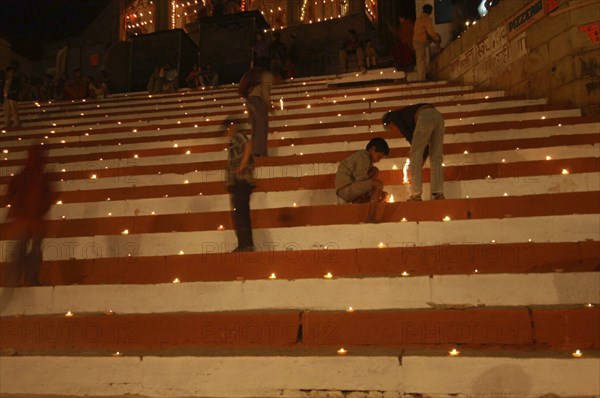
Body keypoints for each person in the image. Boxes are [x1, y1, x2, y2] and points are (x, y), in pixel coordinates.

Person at [4, 145, 54, 286]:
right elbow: (49, 198)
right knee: (27, 248)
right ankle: (25, 278)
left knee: (27, 248)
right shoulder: (30, 176)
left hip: (31, 220)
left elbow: (48, 198)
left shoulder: (27, 176)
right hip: (29, 220)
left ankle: (20, 278)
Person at [382, 104, 445, 201]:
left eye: (391, 129)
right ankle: (439, 193)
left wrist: (415, 153)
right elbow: (425, 148)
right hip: (438, 115)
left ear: (389, 123)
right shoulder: (404, 116)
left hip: (424, 116)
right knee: (436, 156)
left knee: (414, 155)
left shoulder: (393, 117)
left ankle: (416, 195)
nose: (394, 131)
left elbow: (409, 136)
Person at [335, 138, 389, 223]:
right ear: (372, 149)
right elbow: (361, 179)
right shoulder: (363, 156)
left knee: (375, 171)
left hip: (352, 187)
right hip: (345, 189)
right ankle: (370, 217)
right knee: (378, 184)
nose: (378, 160)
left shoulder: (367, 160)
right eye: (379, 157)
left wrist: (376, 194)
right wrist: (376, 192)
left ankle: (360, 201)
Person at [224, 117, 255, 252]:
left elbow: (248, 145)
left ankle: (245, 244)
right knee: (241, 213)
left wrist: (242, 165)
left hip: (241, 180)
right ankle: (245, 244)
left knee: (241, 214)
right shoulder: (233, 140)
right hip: (239, 181)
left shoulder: (238, 136)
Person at [239, 67, 277, 156]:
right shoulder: (268, 76)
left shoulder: (259, 75)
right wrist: (270, 107)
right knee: (262, 128)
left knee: (255, 129)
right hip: (257, 102)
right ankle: (260, 153)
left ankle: (254, 151)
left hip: (250, 101)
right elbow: (265, 93)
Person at [413, 4, 441, 81]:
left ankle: (422, 78)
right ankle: (421, 80)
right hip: (420, 42)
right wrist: (437, 38)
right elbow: (431, 32)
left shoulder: (418, 18)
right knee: (421, 62)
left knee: (421, 61)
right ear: (429, 11)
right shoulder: (427, 19)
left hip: (417, 41)